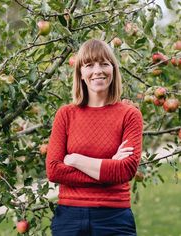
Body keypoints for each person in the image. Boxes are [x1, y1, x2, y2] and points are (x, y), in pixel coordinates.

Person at [46, 38, 143, 236]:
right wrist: (108, 167)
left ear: (113, 70)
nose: (97, 70)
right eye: (89, 65)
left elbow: (125, 170)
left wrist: (75, 160)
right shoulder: (65, 114)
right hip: (69, 219)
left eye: (104, 64)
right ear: (81, 73)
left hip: (114, 218)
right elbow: (54, 170)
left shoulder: (130, 115)